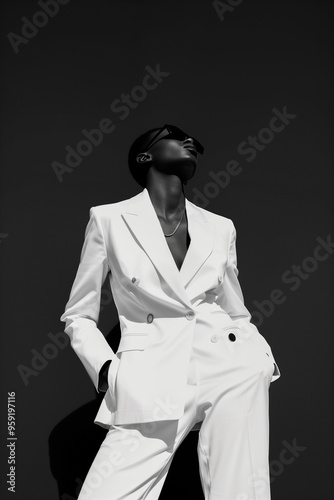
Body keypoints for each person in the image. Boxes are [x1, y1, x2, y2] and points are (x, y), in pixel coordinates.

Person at [60, 124, 281, 500]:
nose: (190, 141)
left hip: (229, 366)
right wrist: (108, 372)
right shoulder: (109, 220)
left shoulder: (220, 228)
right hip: (151, 374)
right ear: (145, 156)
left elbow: (235, 309)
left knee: (241, 491)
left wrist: (256, 355)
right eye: (174, 136)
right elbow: (77, 314)